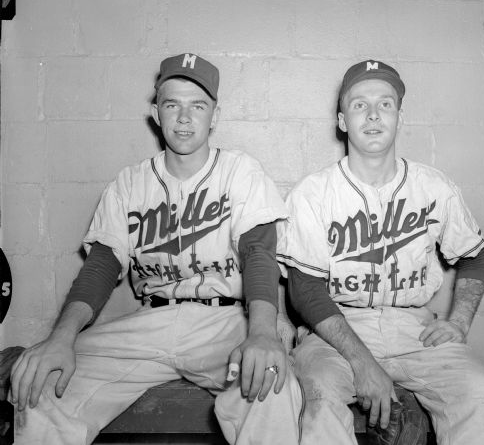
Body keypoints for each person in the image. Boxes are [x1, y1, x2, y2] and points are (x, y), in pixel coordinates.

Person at [9, 53, 302, 445]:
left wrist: (264, 331)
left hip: (225, 323)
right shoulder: (130, 184)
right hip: (148, 325)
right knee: (41, 383)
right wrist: (61, 338)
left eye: (197, 106)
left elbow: (258, 253)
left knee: (272, 383)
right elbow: (100, 268)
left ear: (215, 115)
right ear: (155, 112)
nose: (184, 118)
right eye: (172, 104)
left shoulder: (240, 172)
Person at [277, 59, 484, 445]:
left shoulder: (433, 186)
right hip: (334, 331)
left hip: (414, 330)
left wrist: (459, 324)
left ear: (399, 117)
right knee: (317, 397)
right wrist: (363, 362)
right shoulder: (312, 193)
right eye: (359, 105)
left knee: (482, 391)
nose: (373, 115)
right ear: (341, 121)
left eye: (385, 104)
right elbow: (305, 290)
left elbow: (475, 258)